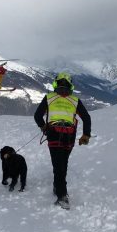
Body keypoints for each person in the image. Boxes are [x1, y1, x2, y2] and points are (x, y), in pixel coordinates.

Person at [33, 72, 91, 209]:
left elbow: (37, 116)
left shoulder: (49, 98)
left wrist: (43, 127)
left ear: (56, 84)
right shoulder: (75, 100)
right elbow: (87, 118)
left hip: (53, 134)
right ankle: (59, 189)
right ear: (71, 85)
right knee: (62, 163)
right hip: (69, 136)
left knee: (58, 165)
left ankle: (62, 196)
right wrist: (86, 134)